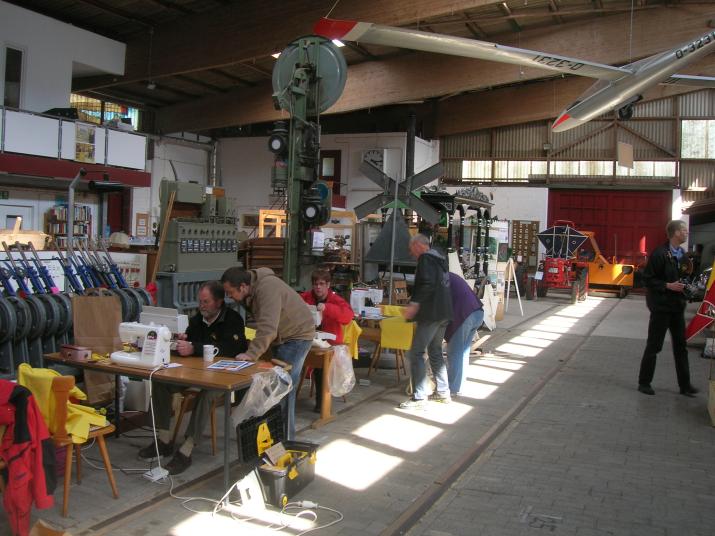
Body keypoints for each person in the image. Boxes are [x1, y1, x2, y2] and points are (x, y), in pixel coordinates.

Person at [137, 281, 247, 475]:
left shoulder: (234, 320)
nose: (201, 305)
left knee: (206, 395)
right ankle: (163, 440)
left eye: (206, 302)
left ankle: (186, 450)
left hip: (225, 375)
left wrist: (194, 348)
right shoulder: (197, 320)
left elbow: (233, 349)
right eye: (200, 301)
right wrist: (182, 342)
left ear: (219, 302)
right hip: (197, 372)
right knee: (160, 381)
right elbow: (190, 342)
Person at [221, 267, 315, 439]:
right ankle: (271, 439)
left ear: (243, 286)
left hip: (297, 336)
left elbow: (268, 328)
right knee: (275, 389)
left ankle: (285, 443)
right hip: (283, 336)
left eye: (230, 292)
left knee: (283, 389)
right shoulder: (250, 289)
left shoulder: (267, 288)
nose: (229, 297)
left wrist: (251, 354)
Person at [637, 220, 698, 397]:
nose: (687, 233)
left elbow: (685, 276)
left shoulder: (683, 255)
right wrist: (667, 286)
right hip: (661, 308)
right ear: (675, 233)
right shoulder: (659, 254)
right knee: (654, 346)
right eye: (684, 230)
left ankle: (685, 386)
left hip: (677, 308)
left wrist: (688, 288)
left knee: (681, 346)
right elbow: (647, 279)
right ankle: (644, 382)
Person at [400, 234, 453, 409]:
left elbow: (428, 284)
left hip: (431, 313)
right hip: (444, 312)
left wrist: (414, 304)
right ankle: (444, 393)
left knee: (415, 353)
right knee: (435, 351)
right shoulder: (440, 260)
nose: (411, 253)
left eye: (410, 249)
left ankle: (419, 397)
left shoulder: (426, 259)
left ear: (418, 245)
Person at [300, 269, 354, 412]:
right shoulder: (305, 297)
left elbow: (348, 316)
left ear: (328, 285)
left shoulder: (336, 300)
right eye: (316, 284)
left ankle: (322, 404)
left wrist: (328, 308)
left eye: (322, 284)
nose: (318, 287)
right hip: (310, 339)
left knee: (320, 365)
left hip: (331, 344)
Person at [445, 273, 484, 396]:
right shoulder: (450, 276)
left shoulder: (439, 280)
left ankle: (452, 388)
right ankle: (459, 385)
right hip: (477, 313)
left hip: (465, 315)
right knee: (463, 352)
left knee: (454, 352)